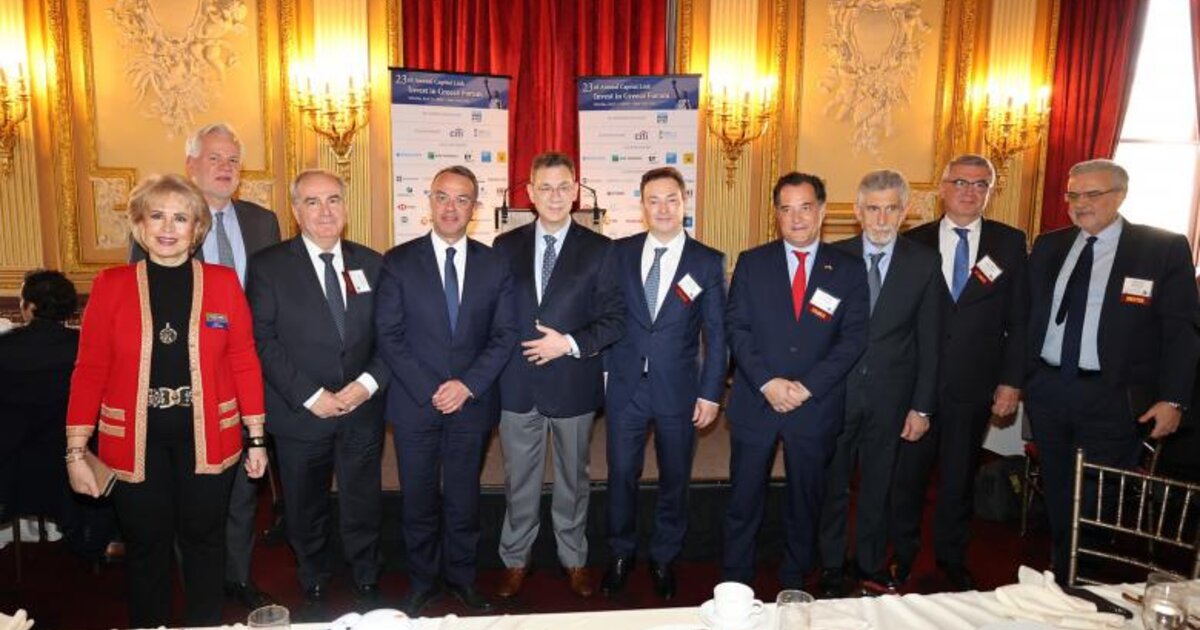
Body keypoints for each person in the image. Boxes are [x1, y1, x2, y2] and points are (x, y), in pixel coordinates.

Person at [66, 174, 269, 628]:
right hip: (133, 443)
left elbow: (244, 361)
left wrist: (256, 438)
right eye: (157, 216)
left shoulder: (223, 283)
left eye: (181, 218)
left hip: (210, 438)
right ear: (139, 225)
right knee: (146, 548)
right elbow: (90, 369)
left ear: (197, 228)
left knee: (205, 544)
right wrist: (76, 452)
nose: (168, 227)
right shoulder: (111, 284)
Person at [130, 122, 282, 610]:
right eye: (214, 158)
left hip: (247, 372)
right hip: (184, 381)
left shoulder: (263, 221)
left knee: (241, 488)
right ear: (190, 164)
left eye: (233, 160)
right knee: (186, 492)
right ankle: (193, 581)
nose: (225, 167)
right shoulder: (167, 223)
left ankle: (235, 576)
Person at [1024, 158, 1199, 579]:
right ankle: (1063, 569)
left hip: (1113, 396)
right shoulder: (1049, 245)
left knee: (1098, 496)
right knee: (1058, 487)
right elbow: (1028, 315)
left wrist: (1174, 399)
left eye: (1093, 194)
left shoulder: (1160, 249)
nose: (1080, 203)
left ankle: (1084, 577)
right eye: (1073, 195)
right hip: (1049, 389)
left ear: (1120, 195)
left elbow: (1182, 332)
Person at [375, 165, 517, 616]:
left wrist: (467, 386)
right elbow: (389, 335)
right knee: (417, 500)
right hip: (415, 403)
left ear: (475, 208)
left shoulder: (495, 263)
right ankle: (422, 581)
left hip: (471, 405)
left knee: (463, 500)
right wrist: (433, 388)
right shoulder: (397, 261)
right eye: (443, 197)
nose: (451, 207)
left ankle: (462, 578)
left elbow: (505, 334)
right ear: (430, 202)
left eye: (462, 199)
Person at [246, 169, 388, 619]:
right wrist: (311, 396)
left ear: (346, 207)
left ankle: (365, 574)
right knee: (305, 506)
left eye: (333, 200)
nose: (325, 211)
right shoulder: (268, 266)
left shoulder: (373, 263)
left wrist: (365, 386)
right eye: (312, 201)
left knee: (362, 500)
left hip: (361, 409)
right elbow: (263, 340)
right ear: (295, 210)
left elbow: (391, 338)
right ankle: (313, 577)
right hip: (300, 413)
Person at [723, 172, 869, 590]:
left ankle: (795, 577)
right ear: (777, 215)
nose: (796, 218)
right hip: (757, 400)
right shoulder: (752, 262)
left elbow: (853, 338)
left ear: (821, 212)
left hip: (815, 406)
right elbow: (737, 328)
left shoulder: (848, 269)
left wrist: (806, 388)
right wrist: (768, 382)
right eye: (786, 209)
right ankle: (736, 578)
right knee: (743, 497)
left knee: (806, 501)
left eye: (805, 207)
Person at [890, 154, 1028, 590]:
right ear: (942, 188)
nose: (969, 191)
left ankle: (951, 558)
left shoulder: (1010, 242)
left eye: (980, 184)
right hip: (917, 387)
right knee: (907, 478)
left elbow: (1021, 321)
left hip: (975, 384)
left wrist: (1011, 382)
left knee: (959, 477)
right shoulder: (913, 241)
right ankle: (901, 555)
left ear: (990, 191)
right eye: (960, 182)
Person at [492, 152, 625, 599]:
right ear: (530, 193)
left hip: (573, 382)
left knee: (574, 480)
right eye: (545, 187)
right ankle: (515, 559)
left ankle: (573, 558)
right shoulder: (504, 246)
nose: (554, 196)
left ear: (576, 191)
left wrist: (566, 343)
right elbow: (494, 316)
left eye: (563, 187)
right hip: (517, 384)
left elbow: (615, 319)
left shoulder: (602, 249)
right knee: (519, 480)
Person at [600, 167, 726, 599]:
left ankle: (664, 556)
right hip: (626, 388)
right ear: (642, 205)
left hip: (680, 391)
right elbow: (607, 317)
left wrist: (711, 392)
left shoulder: (706, 261)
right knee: (621, 473)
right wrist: (605, 373)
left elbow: (718, 335)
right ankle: (621, 552)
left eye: (671, 199)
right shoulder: (619, 253)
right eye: (653, 200)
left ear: (684, 201)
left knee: (675, 477)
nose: (663, 208)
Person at [818, 169, 942, 596]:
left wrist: (922, 407)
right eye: (873, 209)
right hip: (838, 393)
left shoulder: (924, 263)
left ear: (905, 212)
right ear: (858, 211)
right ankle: (831, 564)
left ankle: (869, 563)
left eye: (891, 209)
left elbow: (930, 340)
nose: (882, 219)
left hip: (892, 398)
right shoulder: (833, 257)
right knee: (833, 484)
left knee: (878, 485)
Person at [0, 271, 79, 542]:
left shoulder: (4, 347)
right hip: (70, 462)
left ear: (30, 305)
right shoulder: (85, 348)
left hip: (10, 467)